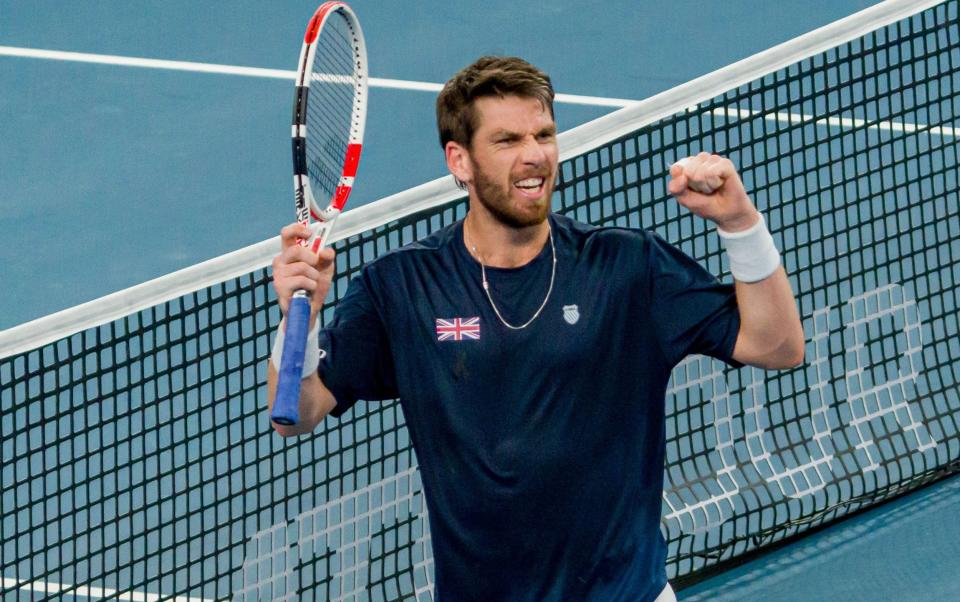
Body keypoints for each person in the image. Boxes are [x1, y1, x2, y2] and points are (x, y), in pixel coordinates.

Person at [267, 56, 804, 601]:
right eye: (507, 141)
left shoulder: (625, 267)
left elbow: (778, 346)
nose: (534, 155)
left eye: (544, 133)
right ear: (460, 161)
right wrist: (298, 319)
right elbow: (298, 412)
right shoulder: (403, 288)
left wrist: (741, 225)